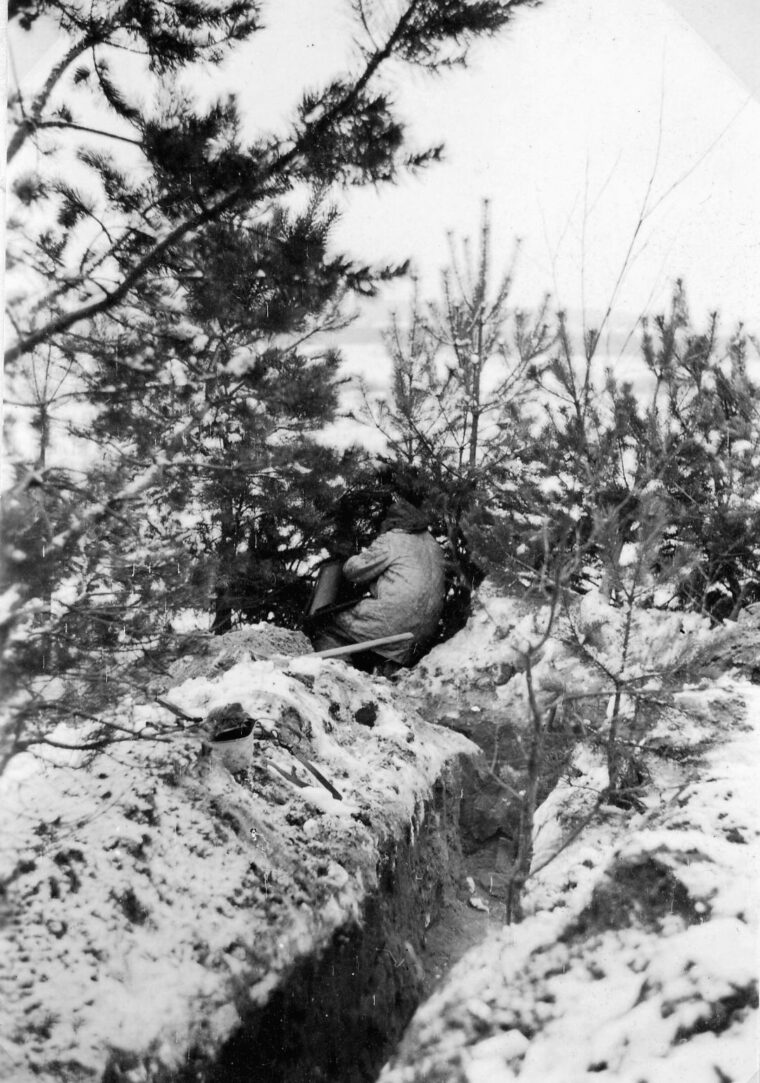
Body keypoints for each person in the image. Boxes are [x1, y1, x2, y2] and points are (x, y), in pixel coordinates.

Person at [312, 498, 446, 668]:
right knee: (385, 649)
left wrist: (352, 555)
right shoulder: (434, 546)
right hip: (423, 632)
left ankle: (340, 675)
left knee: (329, 629)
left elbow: (353, 570)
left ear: (393, 523)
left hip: (394, 620)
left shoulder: (393, 539)